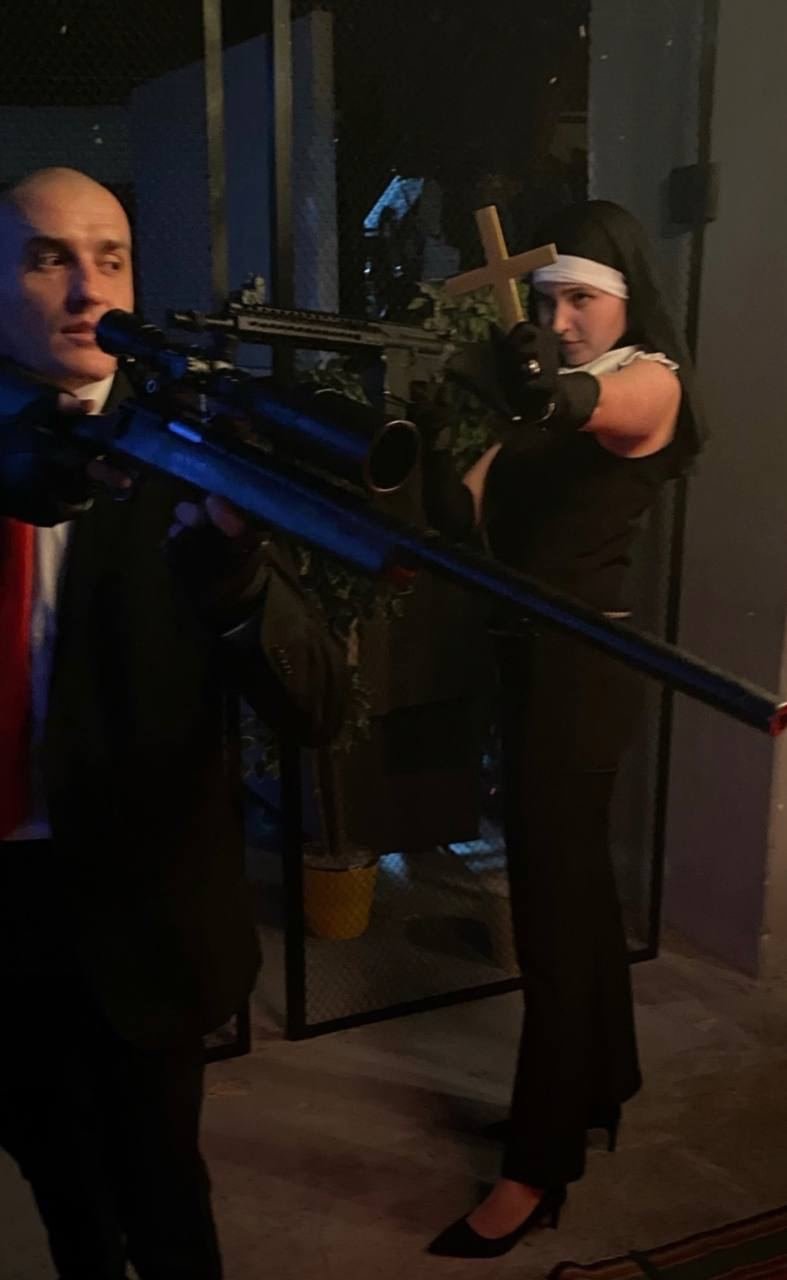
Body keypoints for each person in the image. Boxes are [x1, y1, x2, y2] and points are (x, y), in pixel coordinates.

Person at [0, 167, 348, 1279]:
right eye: (48, 256)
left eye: (109, 258)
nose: (86, 289)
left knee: (164, 1202)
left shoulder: (185, 453)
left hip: (140, 911)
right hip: (2, 909)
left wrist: (238, 585)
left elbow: (317, 704)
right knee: (59, 1189)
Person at [420, 200, 704, 1258]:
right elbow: (465, 507)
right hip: (524, 665)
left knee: (549, 915)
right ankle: (601, 1084)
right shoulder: (533, 412)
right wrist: (430, 444)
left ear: (623, 300)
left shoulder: (650, 379)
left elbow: (593, 402)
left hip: (581, 673)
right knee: (576, 897)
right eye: (544, 302)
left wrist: (540, 381)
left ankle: (537, 1167)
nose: (559, 318)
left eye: (580, 297)